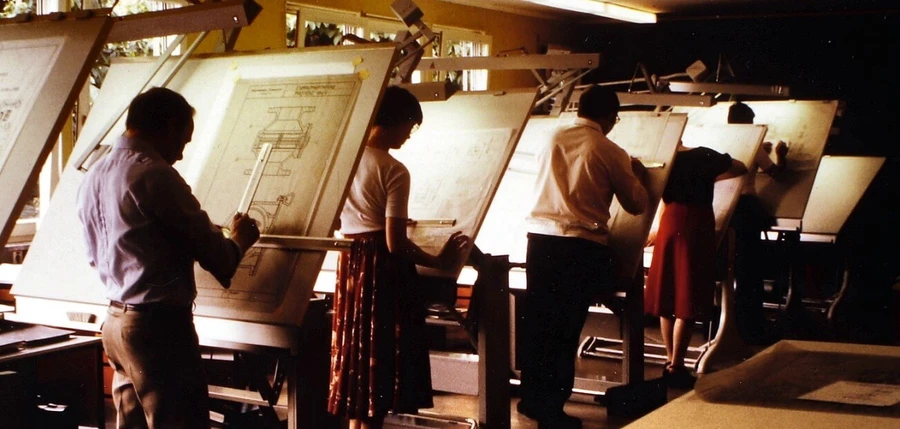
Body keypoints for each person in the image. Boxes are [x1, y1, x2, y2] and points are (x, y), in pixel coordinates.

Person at [76, 87, 260, 428]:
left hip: (116, 322)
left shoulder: (95, 175)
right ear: (169, 125)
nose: (180, 154)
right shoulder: (155, 174)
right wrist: (239, 239)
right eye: (183, 142)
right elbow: (218, 257)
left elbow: (98, 254)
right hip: (159, 330)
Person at [327, 86, 470, 429]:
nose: (409, 135)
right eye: (409, 126)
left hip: (351, 263)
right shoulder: (394, 170)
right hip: (383, 269)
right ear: (396, 121)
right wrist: (439, 260)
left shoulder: (344, 160)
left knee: (358, 356)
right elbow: (395, 243)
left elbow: (334, 221)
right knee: (382, 357)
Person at [519, 85, 648, 429]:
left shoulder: (551, 138)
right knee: (565, 328)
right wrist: (638, 176)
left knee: (539, 324)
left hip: (540, 242)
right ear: (609, 116)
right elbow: (635, 204)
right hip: (579, 246)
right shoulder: (608, 149)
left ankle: (533, 401)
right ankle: (552, 411)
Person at [644, 139, 747, 389]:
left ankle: (671, 361)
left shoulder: (661, 159)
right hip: (696, 223)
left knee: (669, 296)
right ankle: (678, 365)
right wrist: (711, 177)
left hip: (669, 220)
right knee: (688, 295)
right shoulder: (703, 156)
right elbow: (740, 167)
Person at [728, 101, 788, 345]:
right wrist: (780, 155)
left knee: (735, 267)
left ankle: (737, 323)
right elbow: (778, 173)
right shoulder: (754, 144)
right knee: (751, 270)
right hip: (746, 209)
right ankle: (753, 325)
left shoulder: (721, 140)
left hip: (726, 208)